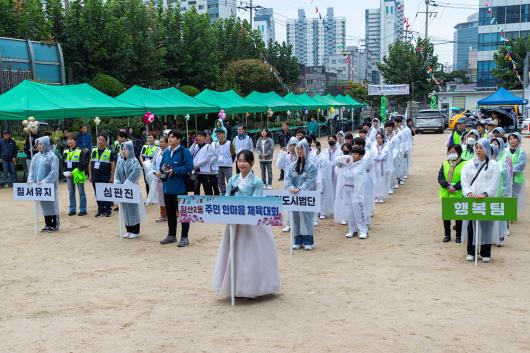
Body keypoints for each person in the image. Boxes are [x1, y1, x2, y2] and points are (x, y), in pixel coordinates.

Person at [212, 150, 281, 300]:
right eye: (239, 161)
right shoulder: (232, 180)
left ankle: (253, 287)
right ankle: (234, 286)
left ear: (251, 163)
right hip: (234, 222)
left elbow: (256, 202)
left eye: (245, 161)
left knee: (250, 255)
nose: (241, 164)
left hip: (252, 225)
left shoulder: (257, 182)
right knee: (233, 253)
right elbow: (226, 198)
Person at [461, 139, 499, 263]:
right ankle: (471, 251)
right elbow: (464, 181)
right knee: (471, 225)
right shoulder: (468, 164)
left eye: (481, 148)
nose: (478, 150)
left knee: (486, 226)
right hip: (472, 199)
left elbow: (494, 182)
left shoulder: (493, 164)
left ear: (487, 149)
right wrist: (468, 193)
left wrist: (485, 194)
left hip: (486, 199)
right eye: (477, 147)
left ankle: (485, 252)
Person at [159, 130, 194, 247]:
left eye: (173, 137)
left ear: (179, 140)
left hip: (180, 188)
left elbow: (189, 166)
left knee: (184, 214)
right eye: (169, 137)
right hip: (167, 188)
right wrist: (162, 170)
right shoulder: (166, 152)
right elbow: (161, 165)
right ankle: (171, 235)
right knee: (170, 213)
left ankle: (184, 237)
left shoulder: (185, 152)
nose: (170, 139)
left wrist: (175, 170)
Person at [285, 139, 317, 250]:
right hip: (294, 195)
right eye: (297, 149)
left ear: (306, 150)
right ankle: (297, 240)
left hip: (306, 195)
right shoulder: (293, 165)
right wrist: (291, 188)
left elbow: (311, 180)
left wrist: (300, 189)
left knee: (307, 217)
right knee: (295, 217)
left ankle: (308, 241)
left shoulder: (311, 166)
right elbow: (288, 178)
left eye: (301, 148)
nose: (299, 151)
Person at [27, 136, 60, 232]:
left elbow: (54, 172)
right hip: (39, 186)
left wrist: (45, 181)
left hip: (50, 186)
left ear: (46, 144)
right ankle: (48, 224)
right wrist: (30, 180)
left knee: (52, 203)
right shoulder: (36, 157)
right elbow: (32, 170)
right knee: (43, 204)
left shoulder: (52, 156)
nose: (39, 146)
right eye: (38, 144)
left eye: (41, 144)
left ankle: (55, 224)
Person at [114, 141, 144, 239]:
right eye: (122, 149)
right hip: (123, 190)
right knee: (125, 209)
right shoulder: (120, 161)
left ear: (130, 150)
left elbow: (135, 173)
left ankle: (136, 230)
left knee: (133, 209)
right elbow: (117, 174)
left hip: (132, 189)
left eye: (125, 149)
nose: (123, 151)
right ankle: (128, 229)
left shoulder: (134, 161)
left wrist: (127, 184)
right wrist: (118, 183)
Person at [339, 145, 368, 239]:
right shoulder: (349, 163)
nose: (353, 155)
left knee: (358, 211)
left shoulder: (362, 165)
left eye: (355, 154)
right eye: (352, 153)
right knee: (349, 210)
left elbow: (353, 174)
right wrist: (344, 164)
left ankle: (363, 230)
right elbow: (343, 172)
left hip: (356, 190)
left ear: (360, 156)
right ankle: (352, 229)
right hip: (347, 189)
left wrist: (346, 169)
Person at [438, 144, 465, 243]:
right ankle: (447, 234)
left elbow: (465, 179)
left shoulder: (465, 164)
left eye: (453, 152)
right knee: (447, 216)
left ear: (459, 152)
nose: (451, 154)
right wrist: (447, 185)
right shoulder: (445, 163)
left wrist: (456, 187)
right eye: (449, 152)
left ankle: (458, 235)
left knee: (459, 215)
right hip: (446, 192)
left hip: (458, 192)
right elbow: (440, 177)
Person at [490, 137, 512, 246]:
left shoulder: (502, 164)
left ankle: (500, 237)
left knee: (499, 218)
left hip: (499, 195)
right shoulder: (484, 165)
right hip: (488, 196)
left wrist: (505, 194)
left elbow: (507, 182)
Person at [89, 134, 116, 217]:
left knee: (106, 193)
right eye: (99, 139)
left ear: (105, 141)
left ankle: (108, 210)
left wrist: (112, 177)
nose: (100, 141)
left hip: (105, 176)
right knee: (97, 193)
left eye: (102, 140)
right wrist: (90, 175)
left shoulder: (109, 152)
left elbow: (113, 165)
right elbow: (90, 163)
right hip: (95, 176)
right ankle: (100, 209)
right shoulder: (93, 150)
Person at [277, 137, 298, 232]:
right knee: (288, 203)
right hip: (288, 183)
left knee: (297, 204)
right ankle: (288, 224)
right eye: (290, 145)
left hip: (298, 183)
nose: (292, 147)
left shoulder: (300, 157)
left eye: (294, 145)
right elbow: (279, 165)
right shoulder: (286, 157)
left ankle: (297, 224)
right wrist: (282, 153)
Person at [63, 134, 88, 216]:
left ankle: (83, 209)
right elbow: (63, 163)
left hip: (78, 173)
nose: (69, 141)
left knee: (81, 191)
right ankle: (72, 209)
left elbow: (83, 162)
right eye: (68, 139)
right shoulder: (65, 151)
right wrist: (64, 171)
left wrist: (75, 171)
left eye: (71, 139)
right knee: (71, 192)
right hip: (68, 174)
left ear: (75, 141)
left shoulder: (80, 151)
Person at [506, 132, 526, 213]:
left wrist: (510, 171)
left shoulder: (521, 152)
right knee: (507, 196)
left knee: (514, 197)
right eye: (510, 139)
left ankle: (511, 214)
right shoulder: (505, 151)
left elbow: (521, 165)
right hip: (506, 178)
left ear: (519, 140)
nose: (512, 140)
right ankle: (507, 214)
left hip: (517, 179)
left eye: (514, 138)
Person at [150, 136, 169, 222]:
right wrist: (155, 172)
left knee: (169, 197)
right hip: (158, 177)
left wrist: (163, 173)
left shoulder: (169, 152)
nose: (160, 144)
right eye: (160, 142)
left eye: (162, 142)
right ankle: (163, 215)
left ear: (167, 142)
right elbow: (153, 163)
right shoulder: (158, 151)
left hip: (168, 178)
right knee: (161, 197)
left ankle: (174, 214)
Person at [189, 131, 214, 195]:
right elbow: (189, 153)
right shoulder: (196, 146)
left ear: (205, 138)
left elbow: (207, 159)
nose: (198, 138)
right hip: (196, 172)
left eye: (200, 136)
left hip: (205, 172)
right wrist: (194, 143)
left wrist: (197, 165)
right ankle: (197, 203)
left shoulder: (208, 146)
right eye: (197, 136)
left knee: (207, 189)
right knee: (196, 189)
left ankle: (209, 203)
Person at [211, 129, 235, 195]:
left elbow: (233, 154)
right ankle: (223, 193)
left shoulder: (229, 143)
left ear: (224, 134)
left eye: (220, 134)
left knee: (230, 181)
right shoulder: (215, 144)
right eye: (217, 134)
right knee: (220, 181)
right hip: (218, 166)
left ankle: (231, 193)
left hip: (227, 166)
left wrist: (230, 162)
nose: (218, 135)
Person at [315, 141, 334, 220]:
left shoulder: (323, 156)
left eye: (315, 147)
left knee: (323, 195)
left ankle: (323, 212)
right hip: (314, 178)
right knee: (316, 195)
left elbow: (325, 167)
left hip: (322, 178)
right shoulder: (310, 155)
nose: (313, 149)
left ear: (318, 147)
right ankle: (317, 211)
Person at [372, 132, 389, 203]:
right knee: (375, 180)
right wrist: (378, 152)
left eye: (380, 138)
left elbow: (384, 156)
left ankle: (381, 196)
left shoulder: (386, 146)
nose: (378, 140)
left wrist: (379, 151)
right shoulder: (373, 146)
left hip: (383, 165)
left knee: (382, 180)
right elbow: (374, 156)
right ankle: (376, 195)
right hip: (375, 165)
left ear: (382, 139)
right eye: (377, 138)